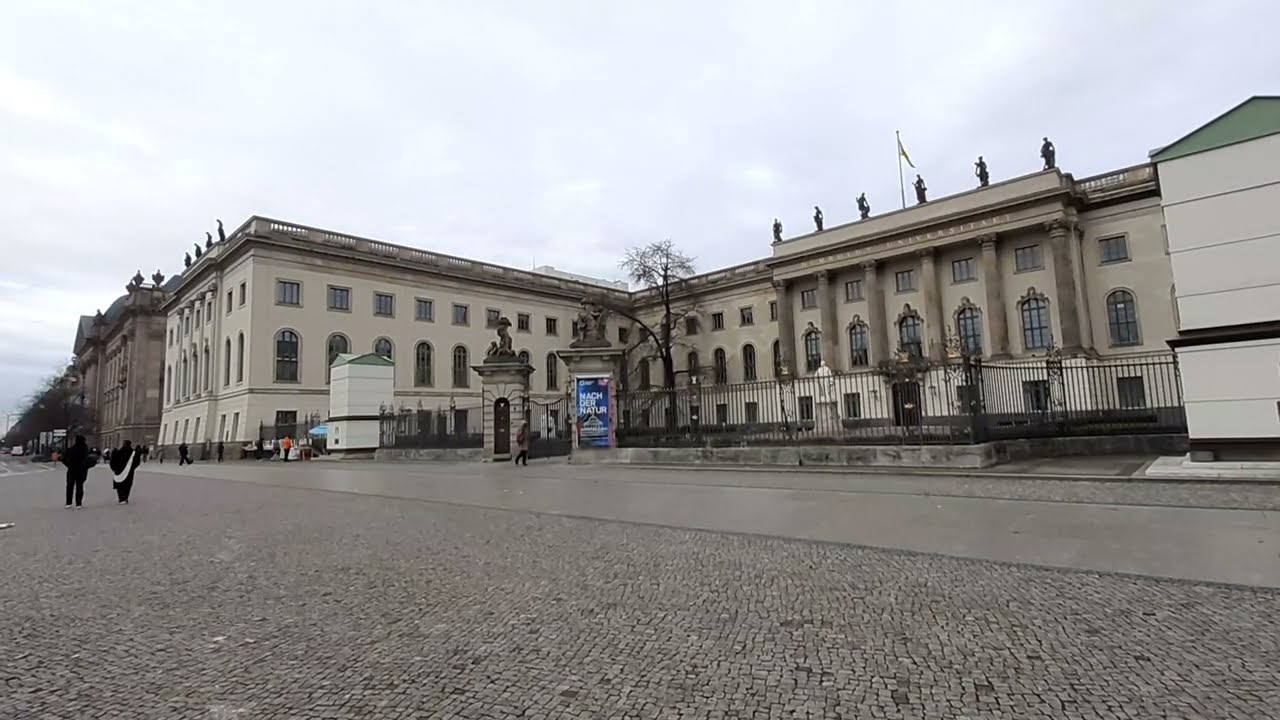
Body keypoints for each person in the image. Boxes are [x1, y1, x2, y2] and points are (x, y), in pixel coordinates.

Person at [61, 435, 93, 509]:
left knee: (69, 486)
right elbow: (88, 460)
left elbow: (64, 459)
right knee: (79, 486)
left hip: (71, 470)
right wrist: (86, 466)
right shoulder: (85, 449)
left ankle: (68, 503)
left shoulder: (71, 449)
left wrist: (68, 465)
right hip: (81, 470)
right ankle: (79, 503)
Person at [108, 440, 143, 504]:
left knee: (119, 484)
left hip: (119, 471)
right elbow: (137, 462)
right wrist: (132, 468)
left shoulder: (118, 452)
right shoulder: (133, 453)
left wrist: (114, 468)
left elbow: (113, 461)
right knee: (127, 485)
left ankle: (121, 498)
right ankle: (125, 497)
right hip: (129, 472)